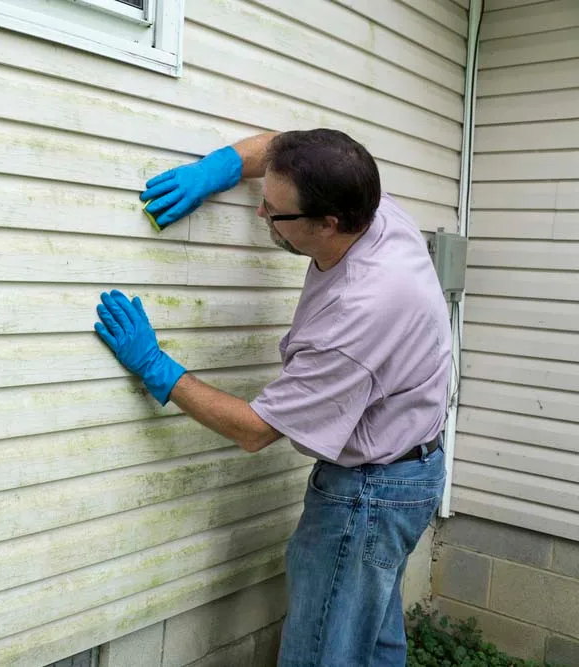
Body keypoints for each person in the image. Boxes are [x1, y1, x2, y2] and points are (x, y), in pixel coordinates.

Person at [94, 129, 451, 667]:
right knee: (371, 648)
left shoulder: (359, 315)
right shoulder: (371, 209)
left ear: (327, 224)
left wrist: (156, 367)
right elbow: (283, 147)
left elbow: (256, 430)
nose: (261, 213)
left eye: (275, 211)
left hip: (370, 495)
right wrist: (217, 170)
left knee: (323, 655)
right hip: (408, 468)